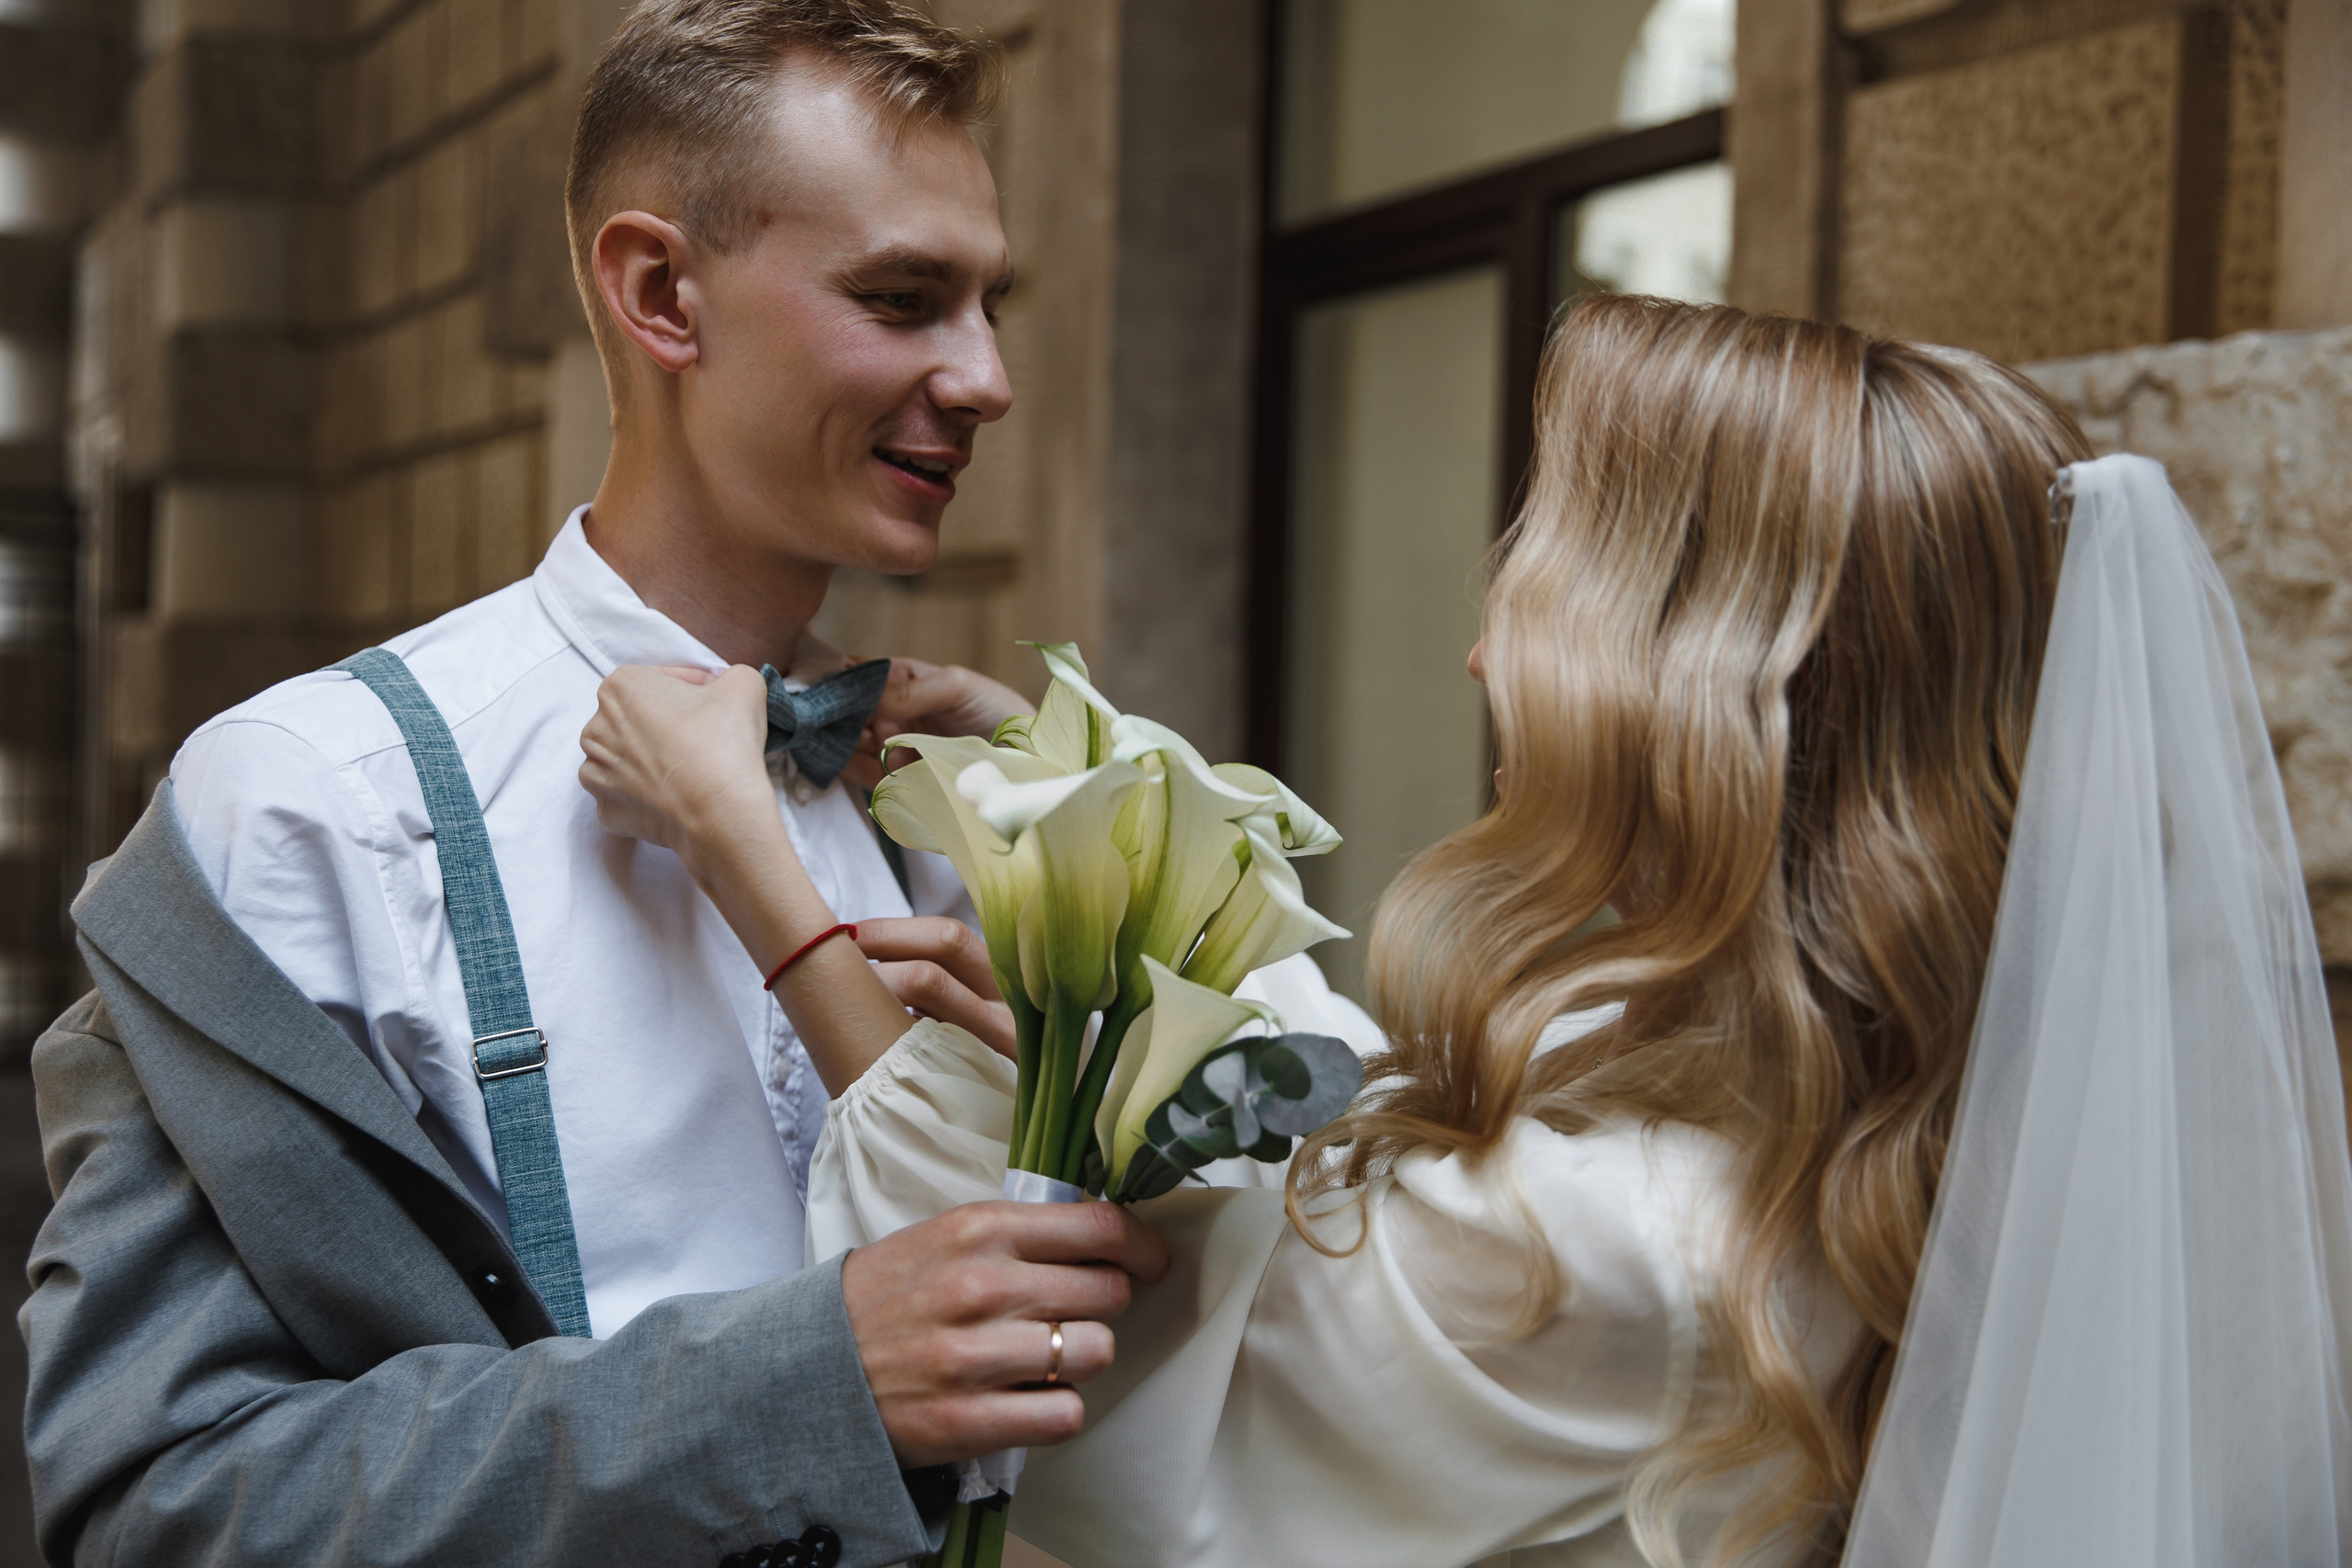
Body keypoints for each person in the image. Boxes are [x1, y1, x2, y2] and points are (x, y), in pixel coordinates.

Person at [578, 294, 2352, 1567]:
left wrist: (764, 879)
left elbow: (1100, 1394)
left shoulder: (1641, 1244)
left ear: (1699, 676)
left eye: (1545, 561)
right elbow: (1350, 1132)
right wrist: (1080, 803)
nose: (1491, 645)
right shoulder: (1794, 1086)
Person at [20, 5, 1182, 1564]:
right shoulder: (310, 802)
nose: (985, 379)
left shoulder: (950, 806)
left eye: (990, 306)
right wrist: (806, 1383)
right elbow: (161, 1502)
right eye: (904, 299)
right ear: (660, 296)